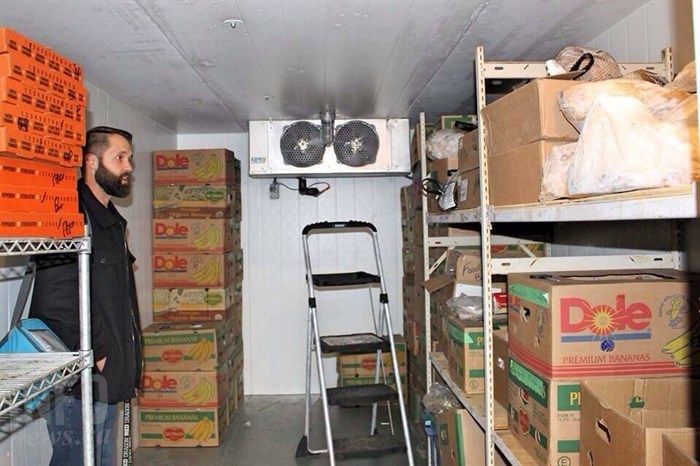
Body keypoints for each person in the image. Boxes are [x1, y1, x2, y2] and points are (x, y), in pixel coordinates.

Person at [30, 126, 143, 466]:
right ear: (92, 162)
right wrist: (99, 353)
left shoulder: (107, 219)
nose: (129, 168)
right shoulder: (71, 216)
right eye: (119, 158)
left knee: (99, 458)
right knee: (76, 459)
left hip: (103, 374)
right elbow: (58, 297)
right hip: (79, 378)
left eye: (129, 158)